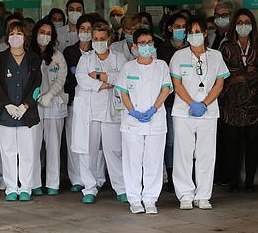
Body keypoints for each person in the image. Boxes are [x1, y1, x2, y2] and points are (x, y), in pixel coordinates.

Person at [170, 16, 228, 210]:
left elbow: (219, 83)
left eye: (197, 32)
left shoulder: (216, 56)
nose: (194, 35)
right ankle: (185, 195)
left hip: (208, 111)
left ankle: (203, 195)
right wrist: (191, 103)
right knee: (183, 153)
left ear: (205, 33)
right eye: (190, 32)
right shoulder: (179, 56)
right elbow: (177, 84)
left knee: (206, 154)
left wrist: (204, 104)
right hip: (183, 111)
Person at [72, 21, 129, 204]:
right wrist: (105, 84)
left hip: (112, 111)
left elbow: (123, 77)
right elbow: (82, 79)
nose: (98, 42)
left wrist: (100, 76)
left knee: (115, 150)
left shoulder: (119, 57)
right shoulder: (86, 59)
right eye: (95, 39)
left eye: (102, 38)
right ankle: (89, 188)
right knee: (88, 151)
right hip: (90, 112)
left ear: (109, 39)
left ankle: (121, 187)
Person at [115, 28, 171, 214]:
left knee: (153, 161)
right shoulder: (128, 67)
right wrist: (132, 111)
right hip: (133, 121)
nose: (146, 46)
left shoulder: (161, 66)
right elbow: (123, 92)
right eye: (142, 43)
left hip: (155, 120)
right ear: (135, 46)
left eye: (149, 42)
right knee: (133, 161)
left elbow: (165, 89)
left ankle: (150, 199)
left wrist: (154, 108)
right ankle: (134, 199)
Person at [0, 21, 42, 201]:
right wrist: (7, 105)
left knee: (27, 152)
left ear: (25, 37)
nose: (15, 37)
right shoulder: (0, 58)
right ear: (7, 37)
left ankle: (25, 188)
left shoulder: (33, 58)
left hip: (27, 113)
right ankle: (11, 188)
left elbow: (37, 85)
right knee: (8, 152)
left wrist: (25, 106)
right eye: (12, 33)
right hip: (5, 114)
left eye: (19, 34)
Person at [219, 8, 258, 192]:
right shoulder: (226, 46)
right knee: (232, 142)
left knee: (253, 141)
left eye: (247, 22)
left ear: (252, 25)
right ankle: (233, 181)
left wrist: (240, 75)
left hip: (254, 101)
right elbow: (222, 74)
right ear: (234, 25)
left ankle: (250, 182)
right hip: (231, 102)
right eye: (240, 22)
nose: (243, 25)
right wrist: (244, 73)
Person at [30, 18, 67, 195]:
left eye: (48, 33)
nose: (45, 36)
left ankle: (53, 183)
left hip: (54, 105)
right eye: (42, 32)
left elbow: (61, 78)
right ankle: (34, 183)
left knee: (53, 147)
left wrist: (50, 94)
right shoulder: (27, 53)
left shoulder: (57, 55)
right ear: (36, 33)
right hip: (32, 105)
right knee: (33, 146)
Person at [156, 13, 188, 191]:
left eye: (184, 27)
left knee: (186, 140)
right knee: (171, 140)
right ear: (170, 28)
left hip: (189, 100)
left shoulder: (193, 47)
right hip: (169, 100)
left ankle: (186, 175)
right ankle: (171, 175)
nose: (181, 30)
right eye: (177, 26)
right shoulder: (162, 49)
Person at [63, 15, 94, 192]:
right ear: (77, 30)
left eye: (89, 29)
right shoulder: (69, 52)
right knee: (74, 140)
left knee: (94, 143)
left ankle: (95, 179)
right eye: (82, 28)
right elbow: (66, 77)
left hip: (95, 100)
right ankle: (76, 178)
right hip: (74, 100)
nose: (86, 32)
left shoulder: (98, 50)